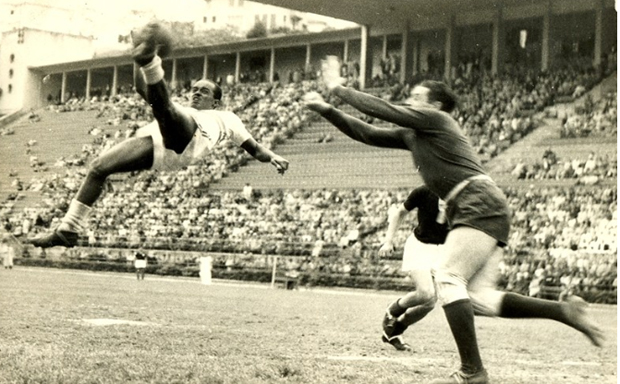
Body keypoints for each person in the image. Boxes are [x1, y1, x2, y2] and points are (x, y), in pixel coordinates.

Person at [303, 56, 603, 384]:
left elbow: (385, 109)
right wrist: (327, 110)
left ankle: (473, 371)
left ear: (436, 106)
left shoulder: (438, 121)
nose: (410, 101)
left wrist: (336, 88)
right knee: (479, 298)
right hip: (479, 205)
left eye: (417, 98)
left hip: (477, 201)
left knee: (446, 278)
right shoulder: (414, 135)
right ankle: (563, 311)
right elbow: (367, 133)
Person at [28, 22, 289, 249]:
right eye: (195, 89)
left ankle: (151, 61)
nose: (196, 93)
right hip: (162, 142)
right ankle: (68, 230)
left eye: (204, 91)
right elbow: (142, 88)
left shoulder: (227, 118)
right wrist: (135, 56)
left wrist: (274, 156)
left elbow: (255, 149)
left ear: (217, 102)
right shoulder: (182, 108)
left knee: (166, 109)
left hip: (192, 140)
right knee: (98, 167)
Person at [378, 185, 449, 352]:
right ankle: (392, 310)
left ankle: (394, 331)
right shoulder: (424, 191)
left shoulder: (461, 197)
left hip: (442, 250)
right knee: (426, 293)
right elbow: (399, 213)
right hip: (420, 246)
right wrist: (388, 241)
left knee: (429, 303)